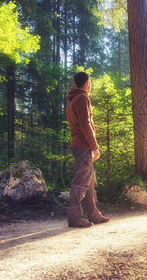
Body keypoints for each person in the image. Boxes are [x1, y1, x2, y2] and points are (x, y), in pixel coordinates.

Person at [65, 72, 109, 228]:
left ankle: (94, 214)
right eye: (90, 82)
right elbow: (86, 124)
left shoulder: (72, 100)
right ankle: (74, 217)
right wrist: (94, 147)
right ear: (87, 83)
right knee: (81, 181)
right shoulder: (82, 98)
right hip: (83, 145)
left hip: (79, 145)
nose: (90, 85)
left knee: (90, 181)